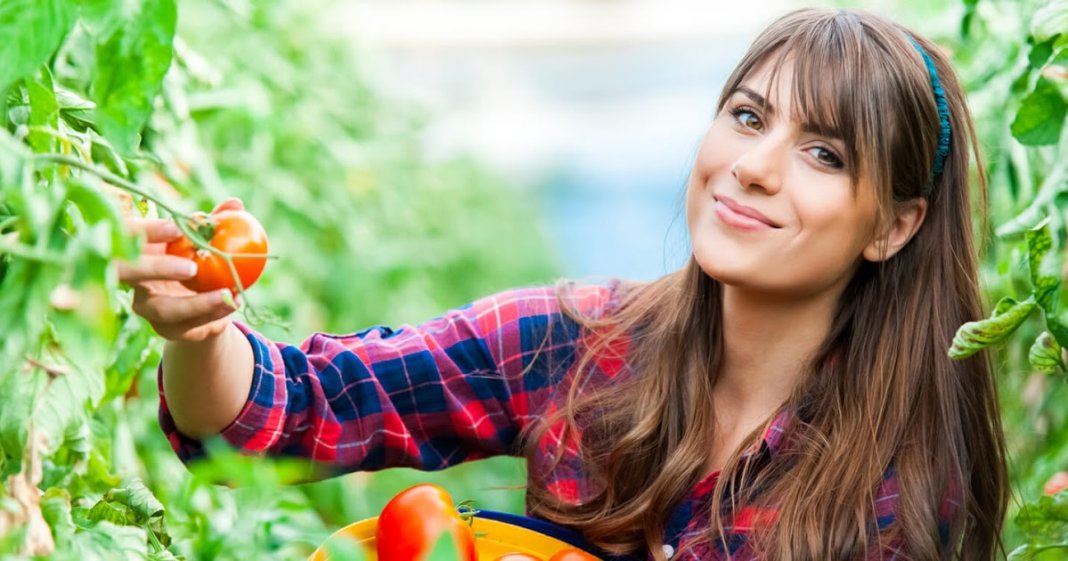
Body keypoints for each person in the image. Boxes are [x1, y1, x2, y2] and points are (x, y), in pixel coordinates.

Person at [118, 7, 1008, 560]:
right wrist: (200, 332)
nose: (755, 167)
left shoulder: (898, 483)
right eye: (747, 117)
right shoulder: (576, 341)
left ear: (894, 225)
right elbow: (293, 415)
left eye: (823, 153)